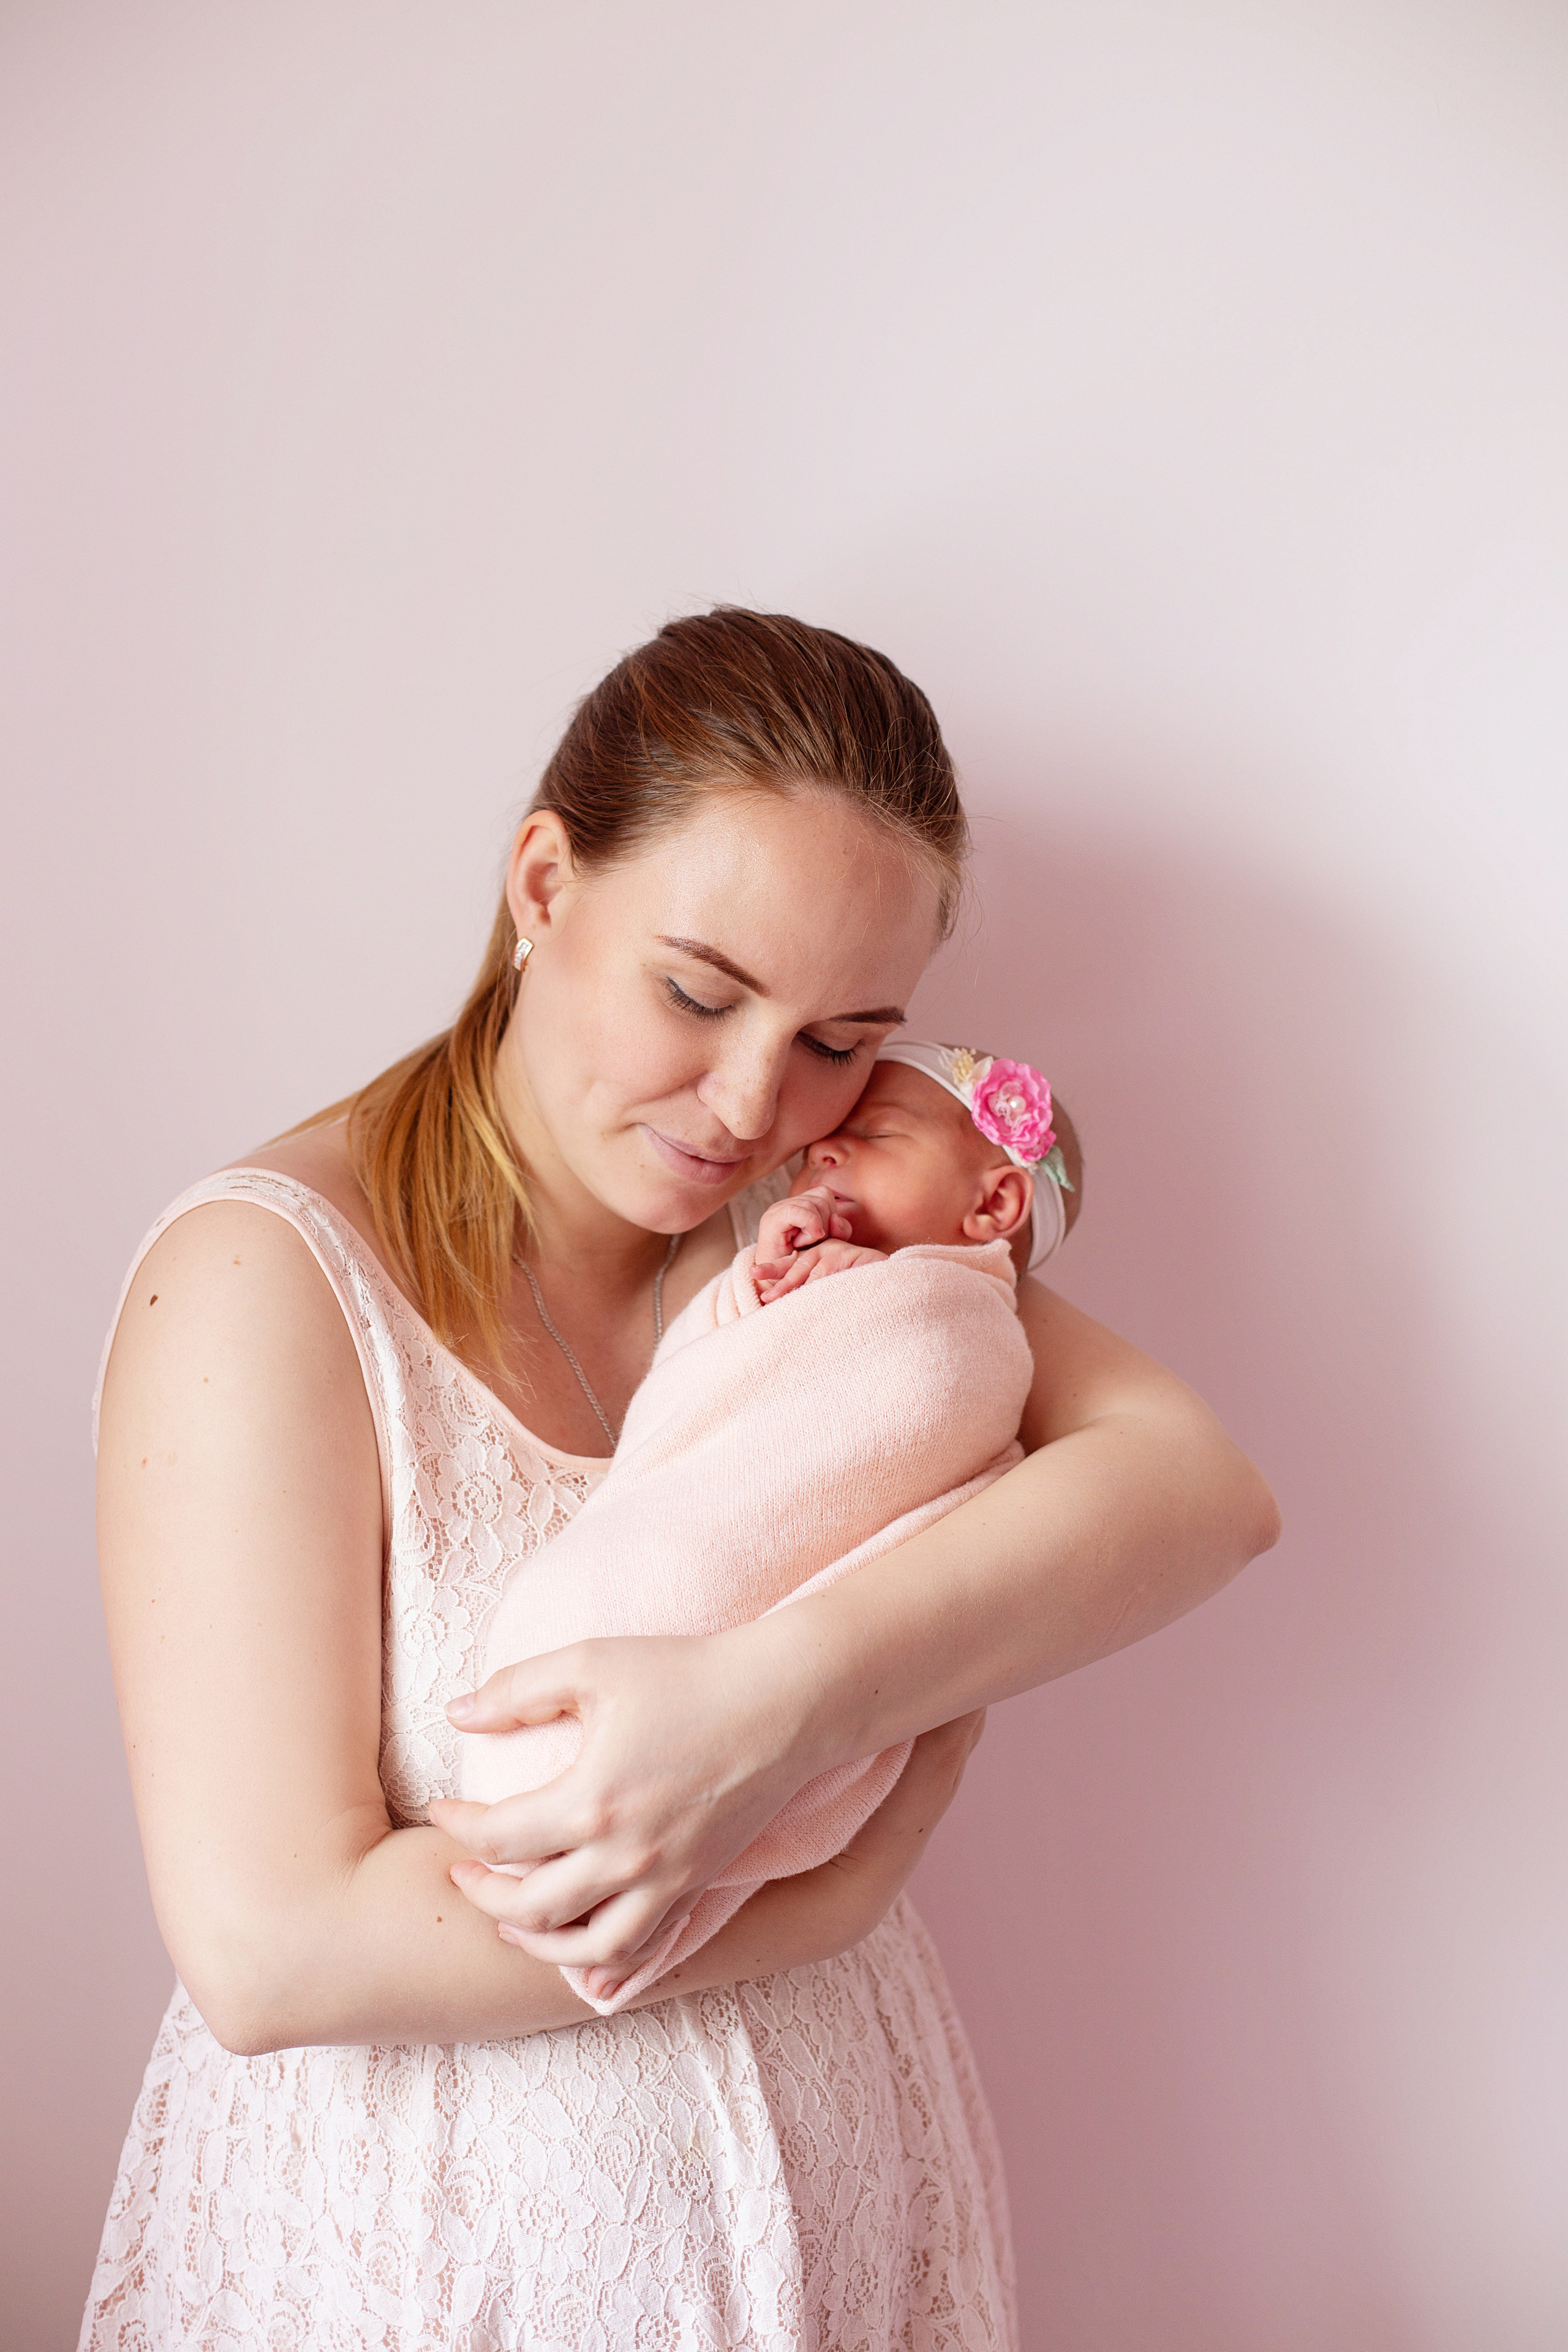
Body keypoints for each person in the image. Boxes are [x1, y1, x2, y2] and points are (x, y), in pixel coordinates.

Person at [86, 608, 1280, 2351]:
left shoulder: (823, 1238)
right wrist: (822, 1900)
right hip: (421, 2275)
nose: (749, 1102)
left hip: (848, 2235)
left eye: (841, 1039)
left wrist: (777, 1705)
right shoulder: (261, 1286)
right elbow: (271, 1956)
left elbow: (1197, 1490)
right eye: (699, 994)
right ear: (543, 884)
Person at [458, 1042, 1063, 2015]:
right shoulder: (797, 1270)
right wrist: (764, 1283)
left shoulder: (968, 1327)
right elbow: (700, 1397)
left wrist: (854, 1293)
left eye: (873, 1136)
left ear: (993, 1206)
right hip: (642, 1567)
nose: (824, 1155)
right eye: (821, 1148)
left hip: (736, 1623)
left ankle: (646, 1885)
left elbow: (926, 1418)